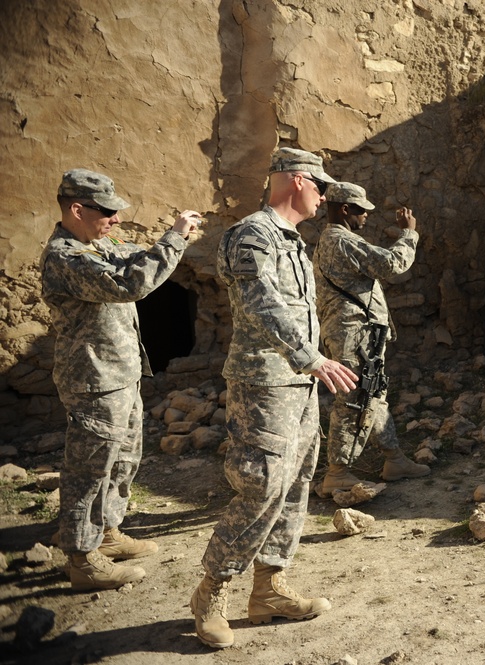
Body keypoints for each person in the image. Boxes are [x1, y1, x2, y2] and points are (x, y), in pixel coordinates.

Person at [191, 147, 358, 649]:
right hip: (263, 382)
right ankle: (211, 591)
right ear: (296, 181)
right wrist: (313, 357)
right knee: (261, 484)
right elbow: (260, 302)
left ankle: (268, 588)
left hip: (298, 383)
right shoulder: (252, 234)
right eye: (320, 186)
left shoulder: (290, 240)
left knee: (297, 481)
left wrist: (310, 365)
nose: (325, 196)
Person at [40, 168, 202, 591]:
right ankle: (82, 557)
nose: (115, 219)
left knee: (123, 459)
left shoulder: (97, 243)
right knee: (89, 469)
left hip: (120, 372)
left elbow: (131, 255)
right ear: (77, 209)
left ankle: (107, 533)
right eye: (107, 211)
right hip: (93, 378)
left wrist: (170, 239)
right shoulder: (65, 257)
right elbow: (132, 282)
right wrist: (175, 240)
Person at [313, 181, 429, 497]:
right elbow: (392, 264)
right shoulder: (341, 241)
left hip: (357, 334)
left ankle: (395, 460)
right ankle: (337, 472)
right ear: (345, 209)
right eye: (362, 210)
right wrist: (408, 233)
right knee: (353, 400)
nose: (366, 216)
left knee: (373, 395)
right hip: (355, 336)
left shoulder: (330, 240)